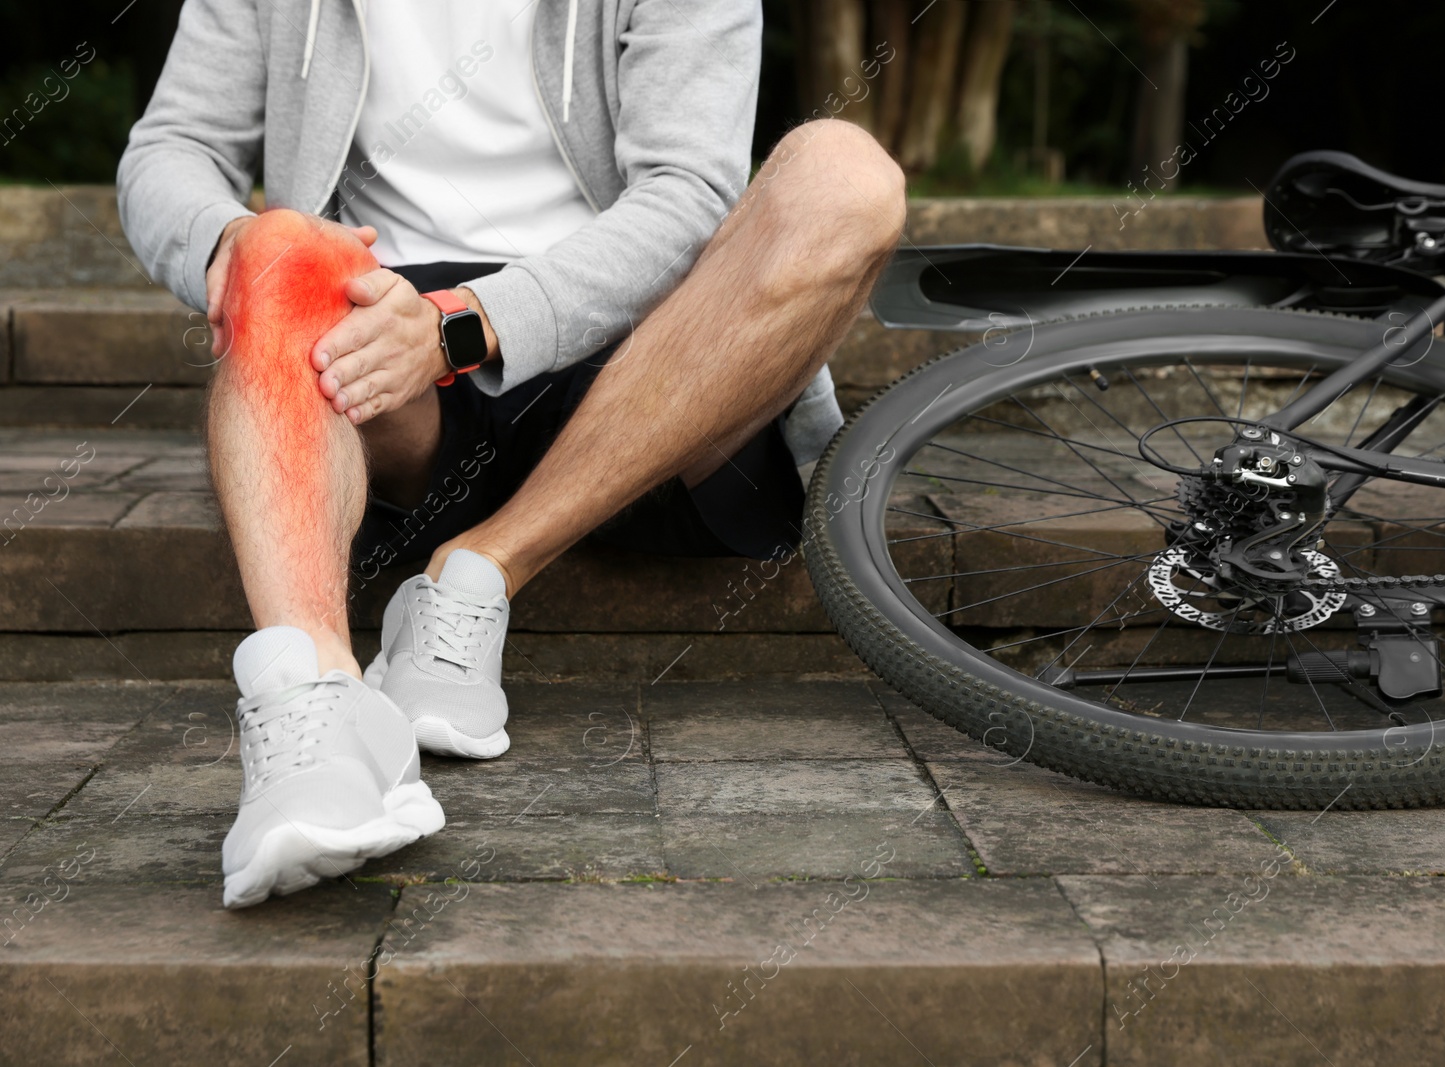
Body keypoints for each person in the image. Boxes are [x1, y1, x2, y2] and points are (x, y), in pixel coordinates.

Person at [117, 0, 905, 908]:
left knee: (847, 174)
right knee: (277, 246)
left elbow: (689, 194)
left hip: (652, 334)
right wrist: (233, 246)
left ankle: (488, 560)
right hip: (382, 336)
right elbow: (170, 147)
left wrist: (471, 324)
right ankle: (317, 707)